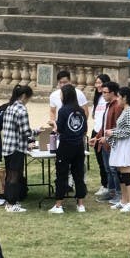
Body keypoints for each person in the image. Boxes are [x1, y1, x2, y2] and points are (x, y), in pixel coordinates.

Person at [49, 84, 88, 214]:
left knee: (62, 175)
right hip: (79, 146)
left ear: (65, 95)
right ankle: (80, 204)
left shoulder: (63, 110)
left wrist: (54, 125)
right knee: (79, 174)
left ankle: (59, 205)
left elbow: (59, 128)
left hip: (66, 145)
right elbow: (84, 129)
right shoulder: (81, 110)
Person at [102, 86, 130, 212]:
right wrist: (111, 132)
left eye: (119, 96)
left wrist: (112, 133)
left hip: (126, 144)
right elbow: (122, 129)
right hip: (121, 143)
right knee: (120, 173)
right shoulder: (125, 110)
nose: (117, 99)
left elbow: (129, 131)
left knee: (126, 173)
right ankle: (124, 200)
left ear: (125, 98)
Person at [0, 83, 38, 213]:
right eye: (28, 98)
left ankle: (9, 201)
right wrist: (38, 131)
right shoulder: (21, 110)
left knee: (9, 175)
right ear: (23, 96)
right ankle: (11, 204)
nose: (28, 101)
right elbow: (26, 132)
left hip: (7, 147)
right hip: (16, 148)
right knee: (15, 176)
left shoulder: (9, 107)